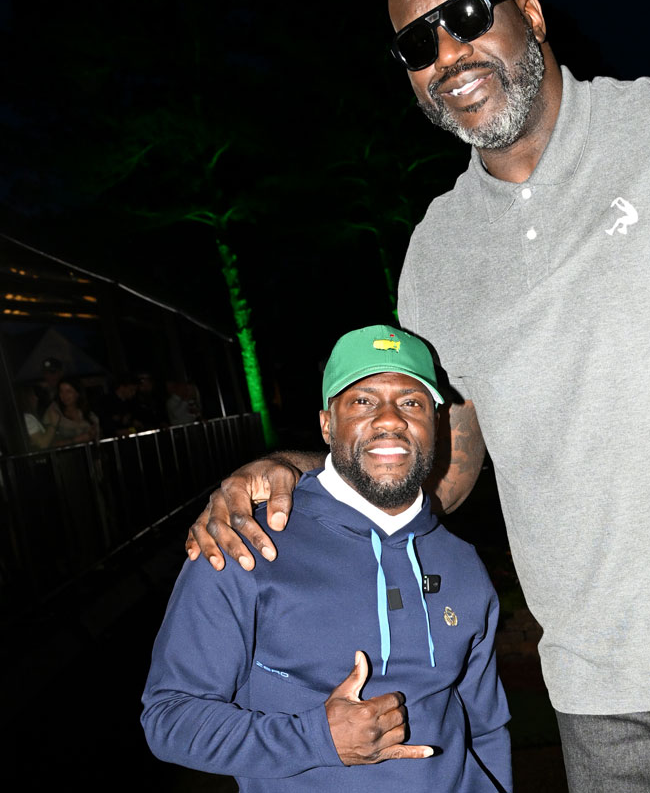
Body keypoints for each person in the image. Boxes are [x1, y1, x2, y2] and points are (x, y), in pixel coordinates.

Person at [189, 0, 650, 791]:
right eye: (418, 43)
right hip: (594, 707)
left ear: (532, 15)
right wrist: (290, 474)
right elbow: (438, 474)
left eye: (466, 17)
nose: (448, 54)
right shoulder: (436, 256)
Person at [143, 324, 511, 791]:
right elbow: (170, 719)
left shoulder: (462, 563)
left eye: (412, 402)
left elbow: (486, 728)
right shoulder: (247, 543)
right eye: (363, 401)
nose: (391, 419)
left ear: (435, 426)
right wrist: (316, 739)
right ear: (326, 424)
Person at [42, 378, 99, 447]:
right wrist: (77, 439)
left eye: (68, 391)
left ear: (77, 394)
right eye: (61, 391)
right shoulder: (54, 411)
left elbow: (97, 440)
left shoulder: (88, 413)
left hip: (88, 455)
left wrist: (94, 434)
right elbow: (48, 443)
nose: (64, 395)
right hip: (64, 456)